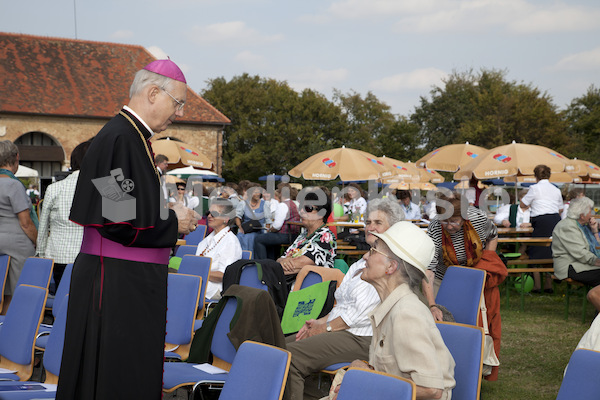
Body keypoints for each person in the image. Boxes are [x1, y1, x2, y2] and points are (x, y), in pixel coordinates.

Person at [56, 59, 199, 400]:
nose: (178, 112)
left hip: (121, 277)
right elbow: (118, 222)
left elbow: (124, 208)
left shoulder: (128, 137)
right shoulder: (120, 138)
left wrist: (164, 215)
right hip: (117, 281)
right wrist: (173, 223)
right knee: (116, 379)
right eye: (177, 102)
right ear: (153, 92)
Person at [285, 198, 404, 400]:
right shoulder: (360, 263)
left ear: (392, 229)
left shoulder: (390, 263)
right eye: (368, 222)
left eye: (378, 223)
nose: (370, 227)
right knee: (275, 346)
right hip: (341, 329)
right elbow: (341, 304)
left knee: (290, 358)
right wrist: (318, 323)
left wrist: (326, 327)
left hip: (363, 337)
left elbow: (361, 314)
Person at [344, 221, 456, 400]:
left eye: (373, 250)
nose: (365, 256)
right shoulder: (391, 306)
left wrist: (364, 382)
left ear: (391, 267)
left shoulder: (406, 313)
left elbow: (431, 390)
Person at [424, 193, 505, 381]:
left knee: (472, 324)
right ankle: (441, 370)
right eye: (445, 221)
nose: (449, 226)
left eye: (453, 221)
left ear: (464, 217)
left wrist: (484, 264)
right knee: (439, 325)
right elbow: (429, 270)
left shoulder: (477, 218)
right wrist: (432, 304)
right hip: (445, 277)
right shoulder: (436, 227)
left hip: (472, 275)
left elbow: (493, 235)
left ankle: (471, 371)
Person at [36, 139, 92, 292]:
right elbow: (124, 211)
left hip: (58, 255)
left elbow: (43, 227)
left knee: (62, 298)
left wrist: (41, 254)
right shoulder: (104, 186)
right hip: (89, 256)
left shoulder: (54, 188)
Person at [0, 140, 37, 314]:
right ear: (16, 158)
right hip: (16, 242)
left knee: (4, 293)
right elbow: (25, 222)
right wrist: (38, 242)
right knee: (18, 291)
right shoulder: (14, 185)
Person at [519, 164, 563, 293]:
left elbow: (523, 203)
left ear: (536, 176)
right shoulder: (556, 189)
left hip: (541, 220)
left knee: (535, 252)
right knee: (550, 250)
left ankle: (537, 286)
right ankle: (548, 285)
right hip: (555, 220)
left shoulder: (534, 188)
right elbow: (560, 208)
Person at [552, 196, 600, 312]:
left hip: (582, 264)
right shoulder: (567, 226)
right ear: (582, 215)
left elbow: (595, 247)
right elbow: (580, 253)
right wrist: (597, 262)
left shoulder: (583, 226)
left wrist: (594, 231)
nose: (592, 214)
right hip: (571, 266)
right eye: (590, 211)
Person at [277, 189, 337, 276]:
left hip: (308, 287)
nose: (301, 211)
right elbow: (280, 259)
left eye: (307, 208)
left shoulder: (326, 237)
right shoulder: (303, 235)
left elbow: (298, 265)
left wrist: (282, 262)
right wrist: (283, 261)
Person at [196, 198, 242, 300]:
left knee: (182, 285)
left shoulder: (230, 242)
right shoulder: (205, 241)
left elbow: (224, 275)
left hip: (216, 289)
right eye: (208, 212)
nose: (209, 216)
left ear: (226, 218)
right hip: (200, 282)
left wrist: (197, 272)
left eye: (214, 213)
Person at [254, 186, 301, 260]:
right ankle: (271, 261)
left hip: (285, 236)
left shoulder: (283, 205)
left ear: (281, 194)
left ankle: (262, 263)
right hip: (293, 235)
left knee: (258, 239)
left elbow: (277, 226)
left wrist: (270, 230)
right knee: (268, 239)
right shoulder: (292, 203)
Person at [235, 183, 271, 254]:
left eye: (259, 192)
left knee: (250, 237)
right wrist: (240, 228)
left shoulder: (265, 204)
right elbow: (237, 217)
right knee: (239, 236)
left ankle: (250, 259)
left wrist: (266, 233)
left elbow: (268, 221)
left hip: (259, 231)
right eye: (255, 192)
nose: (258, 194)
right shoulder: (243, 203)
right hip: (246, 229)